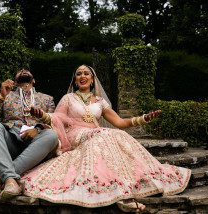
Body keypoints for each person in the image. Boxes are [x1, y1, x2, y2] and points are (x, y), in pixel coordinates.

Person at [20, 65, 191, 212]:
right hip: (76, 134)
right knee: (104, 134)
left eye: (86, 73)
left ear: (93, 79)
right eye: (78, 74)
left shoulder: (100, 101)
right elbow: (57, 118)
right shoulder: (68, 98)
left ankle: (123, 191)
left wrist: (143, 118)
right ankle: (121, 196)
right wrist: (42, 115)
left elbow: (120, 122)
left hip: (98, 135)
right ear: (74, 80)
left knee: (117, 134)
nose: (82, 76)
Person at [0, 69, 58, 200]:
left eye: (27, 76)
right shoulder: (6, 95)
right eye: (20, 78)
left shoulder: (47, 99)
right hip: (10, 141)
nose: (23, 72)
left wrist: (38, 128)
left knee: (51, 135)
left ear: (33, 81)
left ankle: (0, 177)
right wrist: (1, 97)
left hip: (36, 144)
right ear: (15, 83)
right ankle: (10, 179)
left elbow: (54, 122)